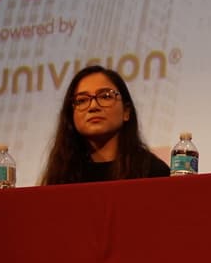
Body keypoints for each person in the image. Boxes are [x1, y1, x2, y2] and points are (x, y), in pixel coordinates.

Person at [41, 66, 170, 184]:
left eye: (105, 96)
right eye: (82, 100)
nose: (93, 106)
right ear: (71, 115)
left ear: (126, 112)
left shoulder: (153, 172)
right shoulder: (61, 175)